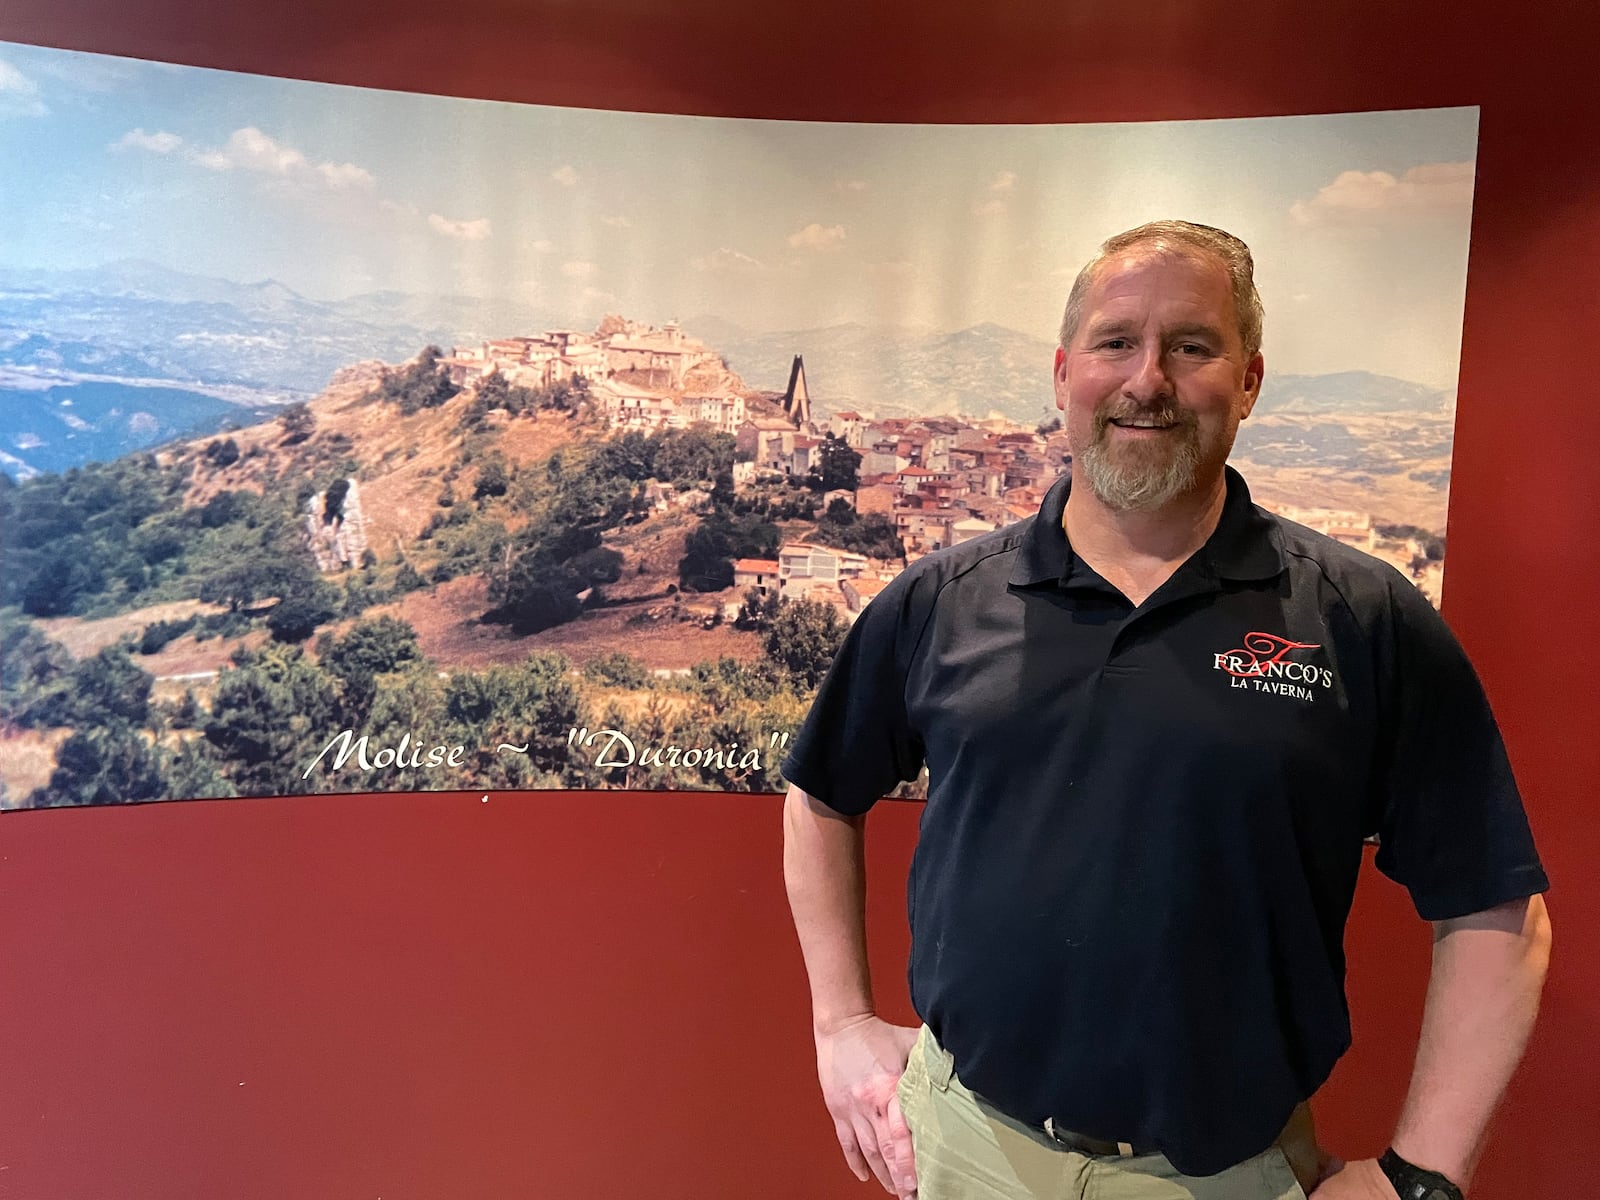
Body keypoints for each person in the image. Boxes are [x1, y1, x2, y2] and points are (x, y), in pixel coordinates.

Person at [780, 220, 1551, 1200]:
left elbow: (1497, 909)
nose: (1147, 379)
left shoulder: (1359, 617)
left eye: (1190, 346)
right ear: (1063, 375)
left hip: (1223, 1178)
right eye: (1115, 343)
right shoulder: (940, 601)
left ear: (1250, 380)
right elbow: (818, 795)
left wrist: (1418, 1180)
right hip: (961, 1146)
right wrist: (841, 1025)